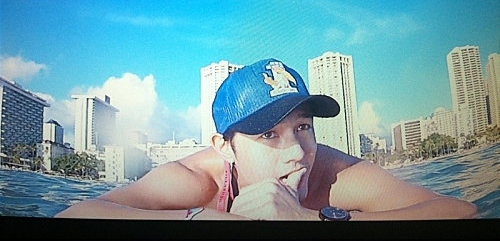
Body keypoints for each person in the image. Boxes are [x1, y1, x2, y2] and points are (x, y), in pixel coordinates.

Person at [56, 58, 476, 221]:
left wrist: (312, 220)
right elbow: (76, 214)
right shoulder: (197, 182)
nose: (297, 152)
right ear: (226, 148)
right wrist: (205, 220)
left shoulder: (333, 175)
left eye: (303, 127)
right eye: (269, 134)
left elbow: (460, 212)